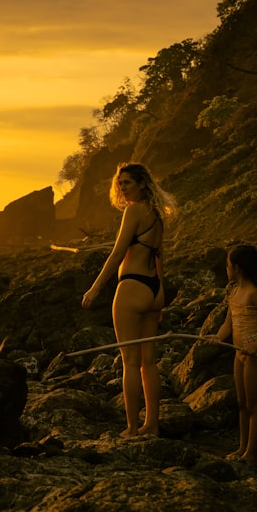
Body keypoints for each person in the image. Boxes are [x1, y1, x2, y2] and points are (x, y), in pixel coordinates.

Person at [82, 162, 177, 438]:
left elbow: (117, 253)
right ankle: (152, 425)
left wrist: (95, 288)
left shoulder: (134, 211)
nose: (122, 188)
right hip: (152, 290)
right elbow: (160, 257)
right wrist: (160, 294)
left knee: (131, 362)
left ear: (142, 184)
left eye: (127, 183)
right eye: (120, 183)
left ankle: (132, 428)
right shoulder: (156, 215)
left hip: (131, 288)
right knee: (149, 362)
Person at [205, 244, 257, 463]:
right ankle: (241, 447)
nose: (226, 269)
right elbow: (228, 324)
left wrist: (256, 345)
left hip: (255, 354)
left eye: (228, 265)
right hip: (239, 353)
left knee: (253, 404)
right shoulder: (234, 291)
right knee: (241, 403)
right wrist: (217, 338)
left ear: (237, 268)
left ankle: (251, 454)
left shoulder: (254, 293)